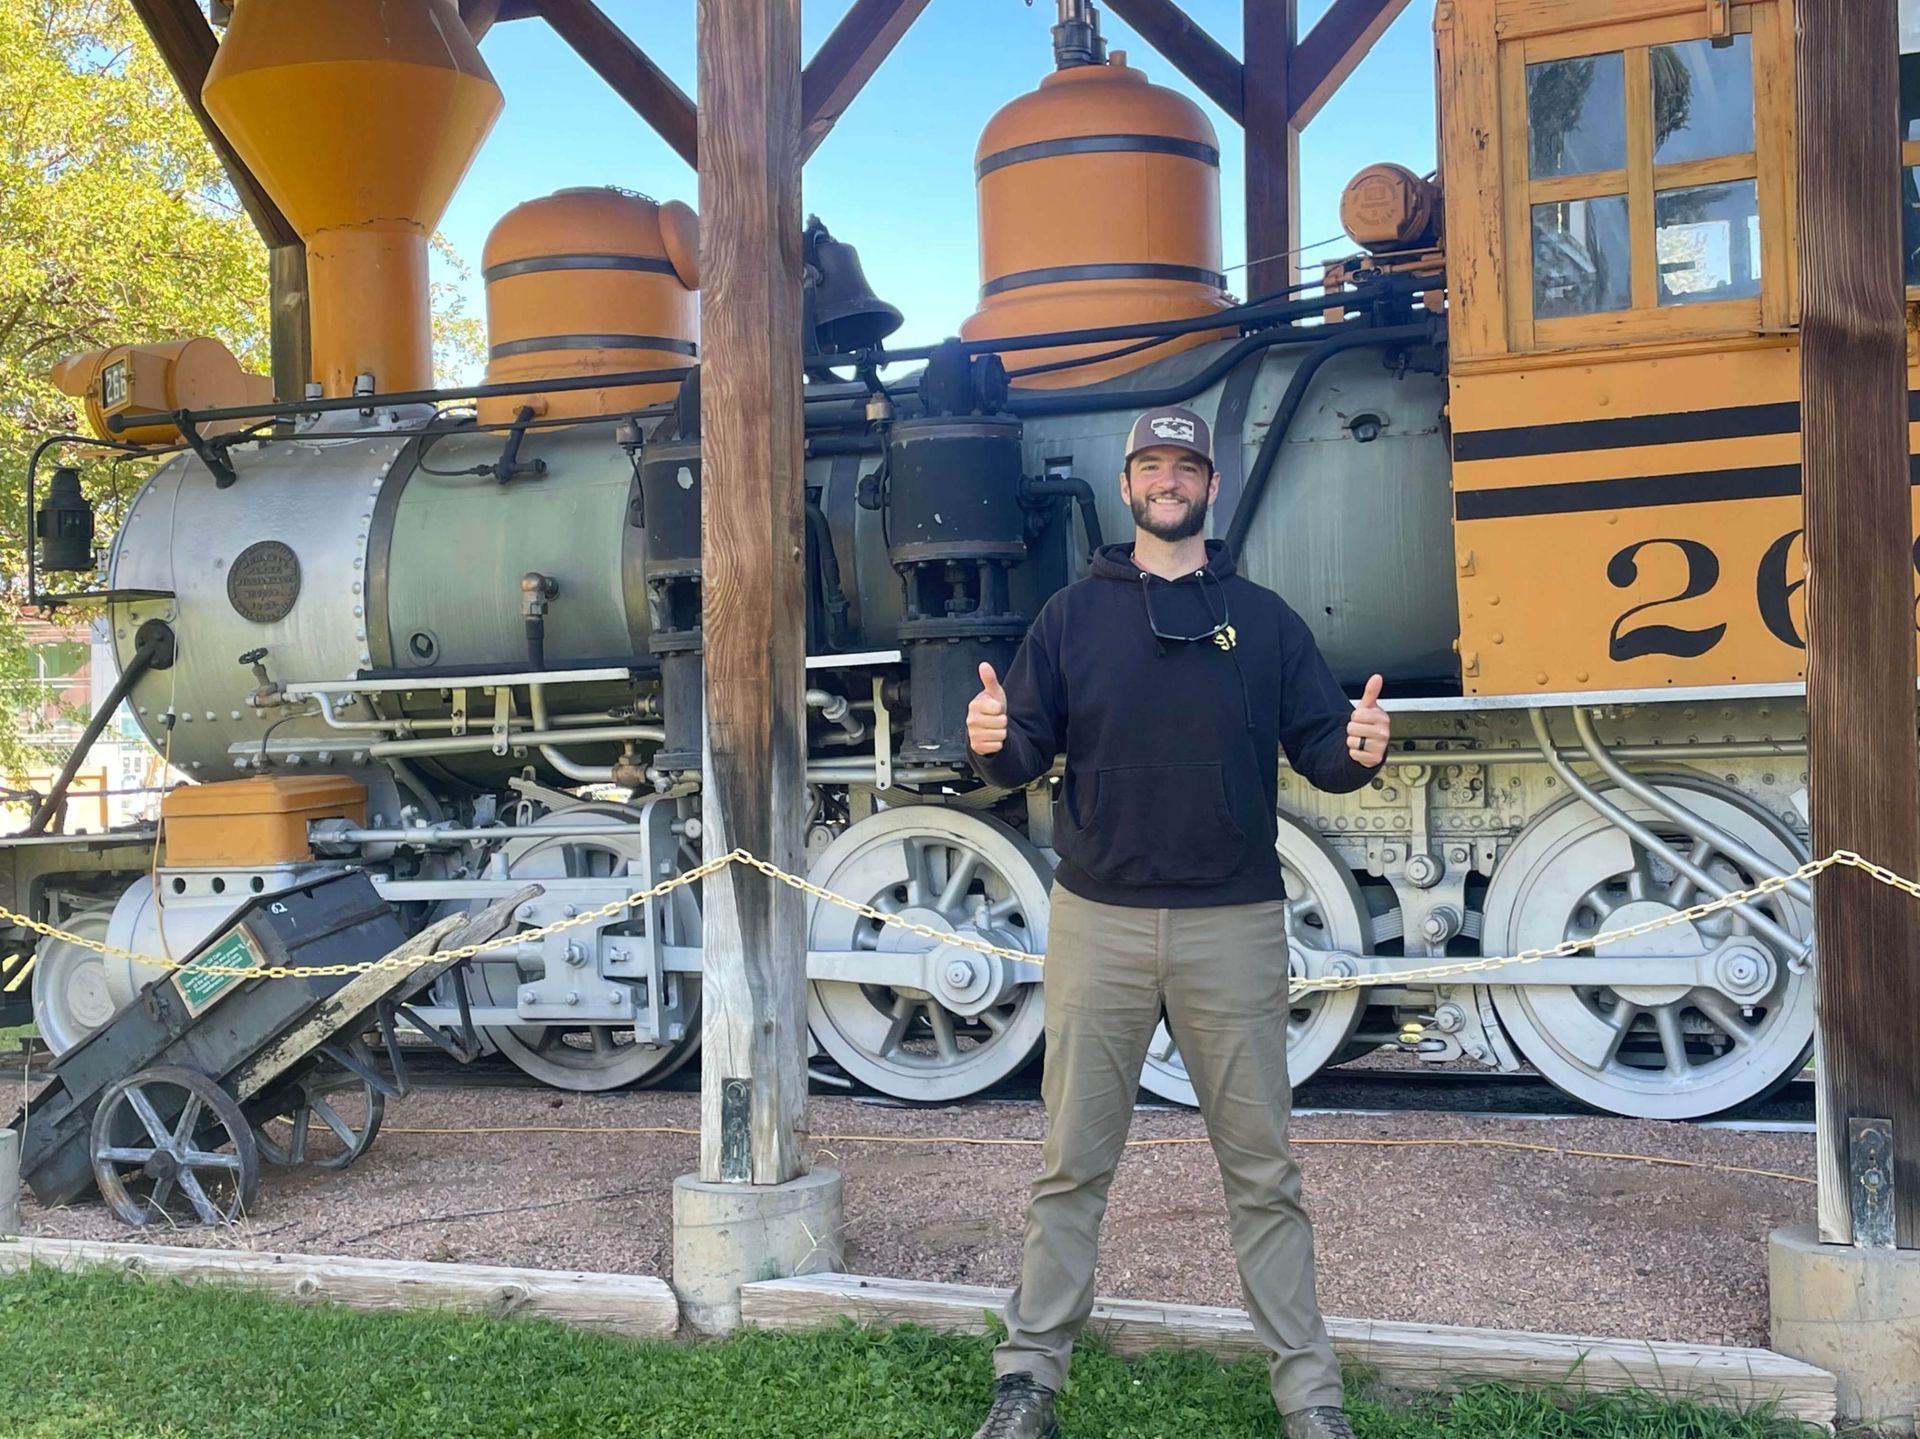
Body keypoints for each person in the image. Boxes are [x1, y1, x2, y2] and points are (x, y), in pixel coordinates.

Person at [963, 404, 1390, 1439]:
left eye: (1184, 467)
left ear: (1209, 484)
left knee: (1263, 1172)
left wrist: (1359, 749)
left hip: (1231, 924)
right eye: (1151, 466)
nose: (1168, 481)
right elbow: (1021, 753)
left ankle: (1311, 1396)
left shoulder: (1265, 618)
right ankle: (1027, 1383)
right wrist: (989, 739)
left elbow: (1320, 748)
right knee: (1071, 1165)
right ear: (1127, 486)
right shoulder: (1070, 617)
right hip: (1098, 921)